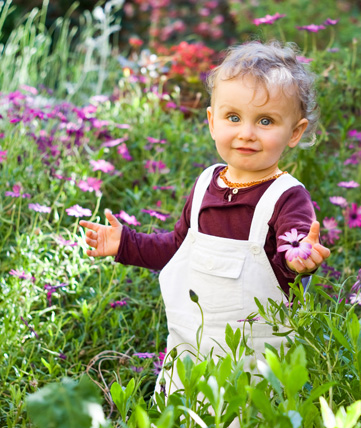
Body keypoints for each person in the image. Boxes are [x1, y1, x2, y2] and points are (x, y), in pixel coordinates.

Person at [79, 40, 331, 397]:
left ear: (294, 132)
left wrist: (299, 259)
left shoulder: (287, 197)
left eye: (265, 121)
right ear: (212, 122)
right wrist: (125, 243)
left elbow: (291, 252)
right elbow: (177, 249)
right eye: (233, 117)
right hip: (190, 353)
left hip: (253, 366)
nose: (246, 132)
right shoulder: (204, 185)